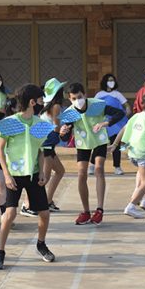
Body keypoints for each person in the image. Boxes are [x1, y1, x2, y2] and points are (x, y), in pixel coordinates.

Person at [0, 84, 55, 270]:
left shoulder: (40, 124)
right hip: (14, 176)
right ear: (32, 102)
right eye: (41, 100)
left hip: (33, 175)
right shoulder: (9, 122)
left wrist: (41, 172)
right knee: (9, 214)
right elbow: (0, 150)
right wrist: (6, 175)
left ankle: (41, 244)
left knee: (44, 213)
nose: (43, 103)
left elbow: (41, 150)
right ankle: (0, 252)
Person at [59, 83, 125, 225]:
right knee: (81, 173)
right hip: (83, 142)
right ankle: (86, 211)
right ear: (70, 99)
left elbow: (120, 113)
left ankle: (99, 210)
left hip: (99, 140)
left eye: (80, 97)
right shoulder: (70, 113)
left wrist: (105, 123)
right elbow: (65, 137)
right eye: (74, 98)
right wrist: (63, 132)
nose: (77, 100)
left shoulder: (97, 105)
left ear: (85, 94)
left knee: (98, 169)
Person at [109, 93, 145, 218]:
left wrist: (115, 145)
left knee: (144, 175)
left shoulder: (136, 116)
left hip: (133, 154)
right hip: (144, 154)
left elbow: (123, 130)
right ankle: (131, 206)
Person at [94, 73, 131, 175]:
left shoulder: (117, 94)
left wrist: (128, 110)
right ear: (104, 82)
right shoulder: (99, 94)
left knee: (115, 144)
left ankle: (117, 167)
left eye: (112, 80)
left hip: (115, 123)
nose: (111, 82)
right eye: (109, 80)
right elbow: (94, 106)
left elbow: (126, 105)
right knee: (98, 144)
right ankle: (92, 165)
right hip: (102, 121)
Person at [39, 78, 67, 212]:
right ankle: (30, 203)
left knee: (60, 171)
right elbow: (56, 127)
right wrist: (64, 129)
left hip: (47, 143)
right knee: (44, 177)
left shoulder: (48, 105)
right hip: (47, 144)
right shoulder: (56, 106)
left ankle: (48, 201)